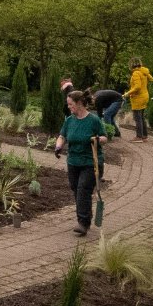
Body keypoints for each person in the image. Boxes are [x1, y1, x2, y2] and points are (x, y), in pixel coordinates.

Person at [54, 90, 108, 236]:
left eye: (70, 104)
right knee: (76, 189)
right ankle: (86, 215)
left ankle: (83, 223)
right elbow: (62, 136)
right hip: (73, 161)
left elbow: (104, 137)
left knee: (83, 189)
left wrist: (97, 139)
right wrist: (58, 146)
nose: (69, 107)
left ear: (79, 104)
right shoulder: (69, 120)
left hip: (91, 162)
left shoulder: (94, 120)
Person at [122, 57, 153, 142]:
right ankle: (144, 136)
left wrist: (127, 94)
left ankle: (139, 137)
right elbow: (151, 79)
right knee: (141, 117)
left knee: (137, 118)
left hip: (138, 98)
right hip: (145, 96)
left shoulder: (136, 73)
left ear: (131, 65)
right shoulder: (143, 71)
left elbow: (137, 87)